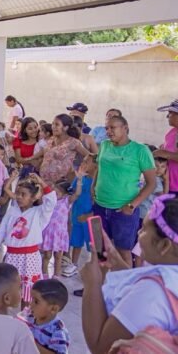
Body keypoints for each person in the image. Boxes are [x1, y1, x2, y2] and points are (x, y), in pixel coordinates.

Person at [81, 195, 178, 354]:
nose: (139, 231)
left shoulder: (152, 293)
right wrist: (117, 261)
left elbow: (100, 347)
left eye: (145, 228)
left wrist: (92, 284)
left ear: (164, 245)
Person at [93, 115, 156, 266]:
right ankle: (99, 287)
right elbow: (99, 168)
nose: (108, 131)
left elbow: (151, 183)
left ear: (125, 128)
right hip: (99, 207)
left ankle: (124, 289)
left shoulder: (140, 150)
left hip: (123, 211)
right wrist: (92, 187)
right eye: (107, 128)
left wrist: (132, 205)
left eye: (112, 128)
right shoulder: (104, 145)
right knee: (99, 251)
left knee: (123, 252)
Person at [0, 173, 57, 309]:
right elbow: (1, 230)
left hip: (30, 257)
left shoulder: (39, 213)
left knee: (28, 291)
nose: (19, 197)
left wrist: (41, 181)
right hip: (12, 256)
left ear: (33, 198)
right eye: (18, 194)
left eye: (23, 194)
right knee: (8, 288)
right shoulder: (12, 212)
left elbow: (51, 201)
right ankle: (5, 317)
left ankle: (25, 318)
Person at [24, 279, 70, 354]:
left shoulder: (58, 332)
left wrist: (30, 343)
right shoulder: (30, 317)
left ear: (53, 309)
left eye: (36, 301)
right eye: (32, 299)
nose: (30, 304)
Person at [154, 99, 178, 193]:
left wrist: (164, 153)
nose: (167, 116)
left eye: (170, 113)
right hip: (168, 183)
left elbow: (166, 153)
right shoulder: (173, 132)